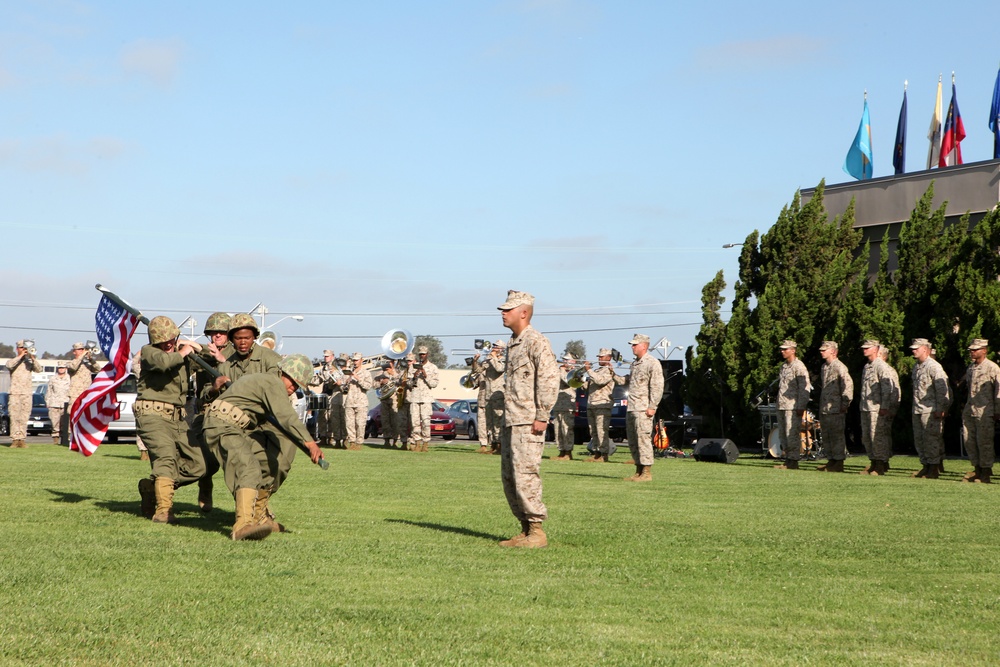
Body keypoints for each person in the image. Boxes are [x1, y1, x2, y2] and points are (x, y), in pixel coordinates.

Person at [203, 354, 324, 541]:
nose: (293, 389)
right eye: (293, 383)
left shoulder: (267, 382)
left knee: (263, 462)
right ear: (284, 372)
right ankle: (242, 526)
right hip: (222, 424)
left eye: (298, 387)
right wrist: (309, 442)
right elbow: (286, 416)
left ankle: (259, 517)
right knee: (248, 467)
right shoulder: (272, 382)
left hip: (237, 427)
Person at [497, 290, 558, 548]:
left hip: (528, 420)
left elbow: (549, 379)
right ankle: (524, 528)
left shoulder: (536, 341)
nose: (503, 313)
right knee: (510, 477)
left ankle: (537, 531)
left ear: (523, 312)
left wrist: (542, 415)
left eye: (508, 309)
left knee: (525, 475)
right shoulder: (514, 343)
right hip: (512, 419)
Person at [135, 317, 205, 523]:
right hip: (152, 416)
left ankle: (153, 487)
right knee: (165, 459)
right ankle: (164, 510)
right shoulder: (149, 352)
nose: (167, 343)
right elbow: (164, 363)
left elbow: (211, 359)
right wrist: (182, 352)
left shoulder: (181, 351)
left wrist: (196, 347)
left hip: (178, 418)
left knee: (198, 465)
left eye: (170, 339)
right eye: (162, 341)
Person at [188, 312, 232, 512]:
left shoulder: (234, 354)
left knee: (235, 459)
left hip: (230, 412)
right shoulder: (203, 353)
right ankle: (205, 490)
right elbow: (188, 354)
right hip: (204, 410)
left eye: (221, 333)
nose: (217, 336)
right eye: (213, 333)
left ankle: (248, 503)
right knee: (201, 457)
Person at [623, 334, 664, 481]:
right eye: (632, 344)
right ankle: (638, 470)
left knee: (643, 439)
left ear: (644, 346)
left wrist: (652, 406)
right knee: (633, 440)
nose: (632, 347)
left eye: (635, 344)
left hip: (643, 408)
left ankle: (646, 472)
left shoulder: (652, 363)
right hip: (632, 407)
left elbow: (657, 386)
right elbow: (629, 382)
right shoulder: (634, 364)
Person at [910, 338, 952, 479]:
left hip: (930, 409)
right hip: (918, 408)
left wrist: (941, 408)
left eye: (916, 348)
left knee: (931, 440)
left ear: (925, 349)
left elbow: (942, 390)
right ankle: (926, 466)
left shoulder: (933, 366)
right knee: (919, 440)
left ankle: (934, 468)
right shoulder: (917, 366)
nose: (913, 350)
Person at [960, 339, 1000, 484]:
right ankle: (977, 469)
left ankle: (986, 472)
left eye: (975, 350)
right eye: (971, 350)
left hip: (985, 411)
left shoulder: (992, 368)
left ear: (984, 350)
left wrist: (997, 410)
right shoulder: (971, 368)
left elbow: (998, 391)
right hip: (970, 410)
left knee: (984, 442)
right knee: (969, 440)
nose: (972, 352)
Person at [857, 340, 899, 476]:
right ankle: (874, 462)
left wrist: (885, 406)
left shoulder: (880, 366)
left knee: (877, 437)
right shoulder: (867, 366)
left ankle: (880, 465)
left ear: (875, 349)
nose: (864, 350)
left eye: (867, 348)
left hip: (877, 408)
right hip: (866, 407)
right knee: (867, 437)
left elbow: (887, 388)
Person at [816, 341, 853, 473]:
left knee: (837, 436)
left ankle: (839, 462)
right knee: (827, 436)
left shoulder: (839, 367)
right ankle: (831, 460)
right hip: (825, 408)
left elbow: (847, 385)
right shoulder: (824, 367)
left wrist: (845, 403)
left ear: (833, 351)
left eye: (824, 350)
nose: (821, 352)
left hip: (836, 408)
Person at [773, 339, 810, 470]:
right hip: (782, 405)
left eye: (785, 349)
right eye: (781, 349)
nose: (782, 351)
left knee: (791, 433)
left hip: (793, 406)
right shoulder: (784, 366)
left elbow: (804, 388)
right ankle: (787, 459)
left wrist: (801, 405)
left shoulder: (799, 366)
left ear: (793, 350)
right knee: (783, 434)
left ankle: (793, 461)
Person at [584, 348, 626, 463]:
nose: (599, 358)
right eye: (599, 356)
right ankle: (596, 453)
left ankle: (604, 454)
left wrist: (589, 370)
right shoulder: (597, 370)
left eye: (601, 357)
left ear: (608, 357)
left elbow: (599, 381)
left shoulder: (608, 371)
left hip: (602, 404)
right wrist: (579, 380)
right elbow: (590, 386)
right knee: (593, 431)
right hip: (592, 404)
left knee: (601, 430)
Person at [6, 340, 43, 448]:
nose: (24, 350)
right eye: (22, 348)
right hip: (15, 393)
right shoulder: (13, 361)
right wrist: (21, 356)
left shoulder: (29, 362)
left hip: (26, 393)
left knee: (24, 417)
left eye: (25, 348)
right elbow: (9, 365)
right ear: (17, 349)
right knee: (14, 417)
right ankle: (14, 439)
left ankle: (21, 439)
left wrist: (32, 357)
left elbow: (39, 369)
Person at [405, 345, 439, 452]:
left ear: (427, 355)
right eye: (420, 354)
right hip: (415, 398)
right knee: (415, 422)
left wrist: (426, 375)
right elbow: (408, 384)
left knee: (425, 421)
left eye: (423, 354)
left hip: (426, 399)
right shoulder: (413, 367)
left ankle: (425, 443)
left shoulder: (433, 367)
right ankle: (417, 442)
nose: (422, 356)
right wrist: (414, 377)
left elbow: (434, 384)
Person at [343, 352, 373, 449]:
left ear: (361, 360)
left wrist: (358, 378)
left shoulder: (366, 373)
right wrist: (346, 381)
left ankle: (359, 443)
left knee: (360, 424)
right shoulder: (348, 372)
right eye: (354, 360)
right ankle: (352, 442)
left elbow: (368, 386)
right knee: (349, 424)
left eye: (356, 360)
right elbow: (343, 387)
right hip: (350, 401)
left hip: (361, 402)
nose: (355, 362)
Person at [551, 353, 578, 460]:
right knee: (558, 430)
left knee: (567, 429)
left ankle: (568, 452)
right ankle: (561, 451)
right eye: (564, 360)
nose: (564, 362)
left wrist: (561, 370)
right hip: (558, 404)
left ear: (573, 362)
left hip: (568, 405)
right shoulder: (560, 371)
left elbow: (567, 381)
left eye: (567, 360)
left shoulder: (575, 372)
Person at [308, 349, 337, 446]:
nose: (325, 358)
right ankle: (323, 436)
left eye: (327, 356)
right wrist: (308, 379)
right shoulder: (324, 368)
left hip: (334, 394)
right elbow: (318, 380)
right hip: (325, 394)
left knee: (331, 417)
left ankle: (331, 437)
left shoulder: (336, 366)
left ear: (332, 356)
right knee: (322, 417)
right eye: (324, 356)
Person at [66, 341, 102, 416]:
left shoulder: (87, 364)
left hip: (86, 394)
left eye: (83, 349)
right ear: (74, 352)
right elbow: (73, 367)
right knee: (74, 415)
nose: (82, 351)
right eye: (79, 349)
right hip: (75, 395)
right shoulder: (70, 363)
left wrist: (91, 359)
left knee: (86, 416)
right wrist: (82, 355)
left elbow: (98, 370)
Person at [483, 340, 506, 454]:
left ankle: (500, 446)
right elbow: (479, 371)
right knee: (490, 422)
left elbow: (499, 369)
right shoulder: (489, 358)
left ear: (502, 349)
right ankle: (493, 445)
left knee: (498, 422)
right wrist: (475, 362)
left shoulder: (504, 359)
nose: (494, 348)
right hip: (488, 394)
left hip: (498, 394)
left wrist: (493, 357)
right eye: (494, 346)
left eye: (496, 347)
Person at [376, 362, 400, 447]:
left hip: (395, 399)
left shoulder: (398, 372)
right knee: (385, 420)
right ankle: (386, 440)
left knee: (395, 421)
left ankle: (395, 441)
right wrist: (381, 382)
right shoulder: (380, 373)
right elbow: (374, 385)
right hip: (384, 399)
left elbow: (401, 382)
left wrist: (393, 375)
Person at [45, 363, 71, 445]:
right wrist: (48, 402)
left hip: (65, 403)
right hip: (54, 403)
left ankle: (65, 439)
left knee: (66, 423)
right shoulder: (53, 378)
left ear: (66, 368)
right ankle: (55, 439)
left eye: (63, 368)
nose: (61, 369)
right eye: (60, 368)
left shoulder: (70, 378)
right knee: (55, 423)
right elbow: (49, 391)